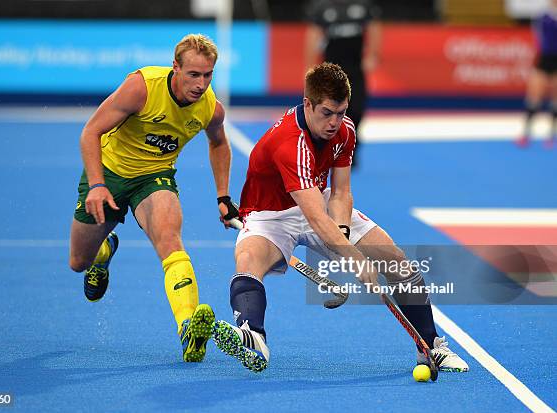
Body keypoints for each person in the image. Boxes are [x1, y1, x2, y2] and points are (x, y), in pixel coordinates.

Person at [212, 62, 468, 373]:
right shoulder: (290, 144)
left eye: (341, 112)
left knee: (397, 263)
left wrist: (344, 234)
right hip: (270, 216)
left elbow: (341, 193)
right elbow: (316, 219)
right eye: (327, 113)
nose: (335, 122)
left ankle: (430, 346)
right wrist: (356, 260)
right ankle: (253, 336)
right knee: (248, 260)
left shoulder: (344, 130)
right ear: (308, 104)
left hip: (317, 199)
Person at [68, 34, 239, 362]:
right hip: (109, 173)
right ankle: (103, 253)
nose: (201, 84)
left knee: (171, 242)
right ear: (176, 67)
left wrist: (223, 196)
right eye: (193, 74)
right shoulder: (142, 88)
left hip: (155, 178)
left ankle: (188, 329)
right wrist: (96, 185)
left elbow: (219, 143)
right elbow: (90, 131)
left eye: (208, 76)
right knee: (79, 262)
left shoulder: (209, 109)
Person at [305, 0, 382, 167]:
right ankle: (329, 150)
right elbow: (314, 34)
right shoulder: (323, 7)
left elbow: (374, 28)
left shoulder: (362, 5)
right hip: (331, 71)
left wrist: (373, 55)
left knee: (357, 109)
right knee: (329, 110)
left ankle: (351, 145)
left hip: (355, 69)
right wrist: (311, 66)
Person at [517, 0, 557, 148]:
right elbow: (538, 37)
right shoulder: (543, 16)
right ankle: (526, 133)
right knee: (534, 96)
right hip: (544, 59)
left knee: (555, 99)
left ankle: (551, 135)